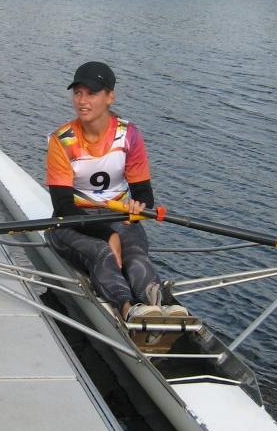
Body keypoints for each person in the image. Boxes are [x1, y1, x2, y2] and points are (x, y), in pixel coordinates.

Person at [46, 61, 188, 322]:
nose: (82, 101)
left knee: (136, 256)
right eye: (77, 92)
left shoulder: (129, 135)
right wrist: (107, 234)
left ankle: (156, 304)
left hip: (118, 216)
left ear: (110, 97)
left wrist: (139, 206)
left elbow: (143, 191)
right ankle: (128, 309)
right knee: (104, 252)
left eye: (92, 93)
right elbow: (64, 206)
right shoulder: (62, 140)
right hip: (72, 222)